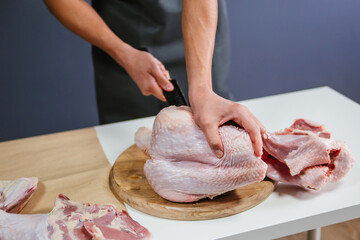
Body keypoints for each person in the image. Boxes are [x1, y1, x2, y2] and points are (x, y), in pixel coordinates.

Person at [43, 0, 265, 158]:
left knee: (215, 137)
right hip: (124, 37)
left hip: (199, 31)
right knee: (131, 150)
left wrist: (201, 87)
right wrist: (123, 53)